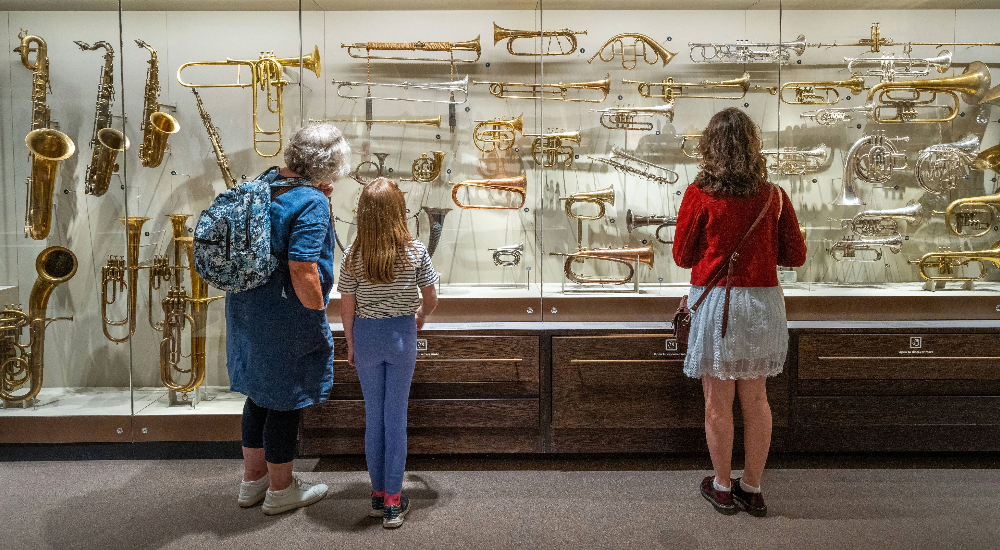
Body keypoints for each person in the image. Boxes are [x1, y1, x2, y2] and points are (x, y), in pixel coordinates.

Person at [672, 107, 807, 518]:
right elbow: (796, 256)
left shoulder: (699, 195)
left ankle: (722, 487)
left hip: (719, 304)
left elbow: (681, 256)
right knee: (757, 399)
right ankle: (753, 487)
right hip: (762, 304)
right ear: (754, 146)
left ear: (709, 147)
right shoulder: (774, 196)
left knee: (717, 402)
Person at [228, 123, 350, 515]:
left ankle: (253, 482)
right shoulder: (310, 201)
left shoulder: (266, 182)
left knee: (258, 396)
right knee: (285, 400)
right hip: (286, 311)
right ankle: (281, 490)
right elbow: (302, 266)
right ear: (331, 162)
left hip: (248, 308)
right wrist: (318, 309)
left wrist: (317, 194)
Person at [338, 177, 439, 529]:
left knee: (374, 417)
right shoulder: (415, 252)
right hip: (400, 335)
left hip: (366, 336)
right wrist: (420, 316)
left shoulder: (353, 254)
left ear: (363, 213)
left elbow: (346, 307)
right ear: (400, 211)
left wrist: (351, 344)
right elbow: (431, 299)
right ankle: (395, 503)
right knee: (395, 418)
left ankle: (377, 496)